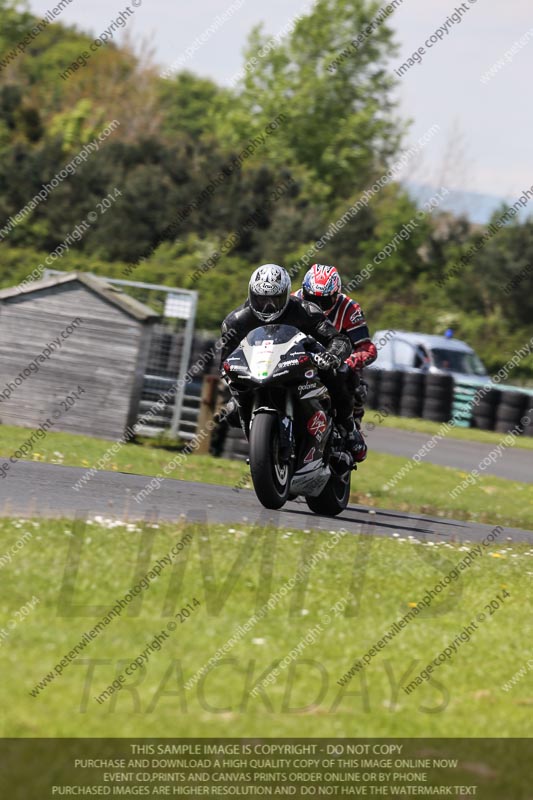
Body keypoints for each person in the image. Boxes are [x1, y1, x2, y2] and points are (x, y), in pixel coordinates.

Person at [219, 263, 356, 449]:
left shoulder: (306, 311)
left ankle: (347, 428)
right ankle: (262, 442)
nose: (268, 306)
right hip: (258, 370)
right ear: (251, 294)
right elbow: (225, 361)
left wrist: (332, 355)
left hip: (301, 363)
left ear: (286, 294)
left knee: (340, 372)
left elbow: (338, 339)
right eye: (261, 299)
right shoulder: (236, 321)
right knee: (231, 411)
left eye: (275, 299)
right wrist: (231, 375)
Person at [295, 264, 378, 462]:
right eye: (312, 297)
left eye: (323, 300)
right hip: (300, 359)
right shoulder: (293, 301)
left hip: (334, 363)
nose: (316, 303)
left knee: (351, 382)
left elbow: (367, 348)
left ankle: (349, 429)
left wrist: (347, 361)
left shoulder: (350, 309)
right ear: (304, 291)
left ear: (335, 295)